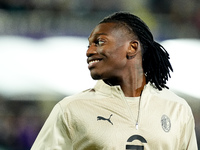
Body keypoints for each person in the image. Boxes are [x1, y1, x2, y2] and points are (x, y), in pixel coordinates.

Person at [31, 12, 198, 150]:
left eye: (100, 42)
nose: (89, 51)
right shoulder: (70, 109)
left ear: (132, 47)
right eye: (89, 45)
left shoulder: (177, 109)